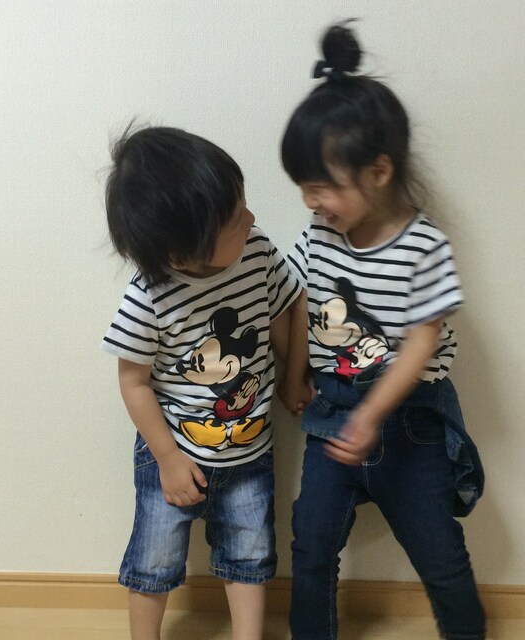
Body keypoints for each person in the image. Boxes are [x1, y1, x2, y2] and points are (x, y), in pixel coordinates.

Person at [278, 22, 486, 640]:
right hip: (331, 411)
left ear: (378, 171)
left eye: (322, 187)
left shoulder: (424, 246)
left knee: (439, 555)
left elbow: (423, 339)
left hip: (409, 422)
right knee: (311, 546)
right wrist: (295, 375)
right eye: (303, 187)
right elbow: (301, 299)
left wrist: (373, 415)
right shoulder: (322, 233)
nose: (311, 201)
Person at [101, 125, 302, 640]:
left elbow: (286, 306)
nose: (251, 219)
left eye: (244, 206)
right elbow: (133, 382)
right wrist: (168, 458)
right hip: (173, 453)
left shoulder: (256, 251)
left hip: (250, 451)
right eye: (235, 219)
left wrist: (293, 376)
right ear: (180, 254)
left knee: (250, 557)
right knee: (154, 559)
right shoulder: (149, 296)